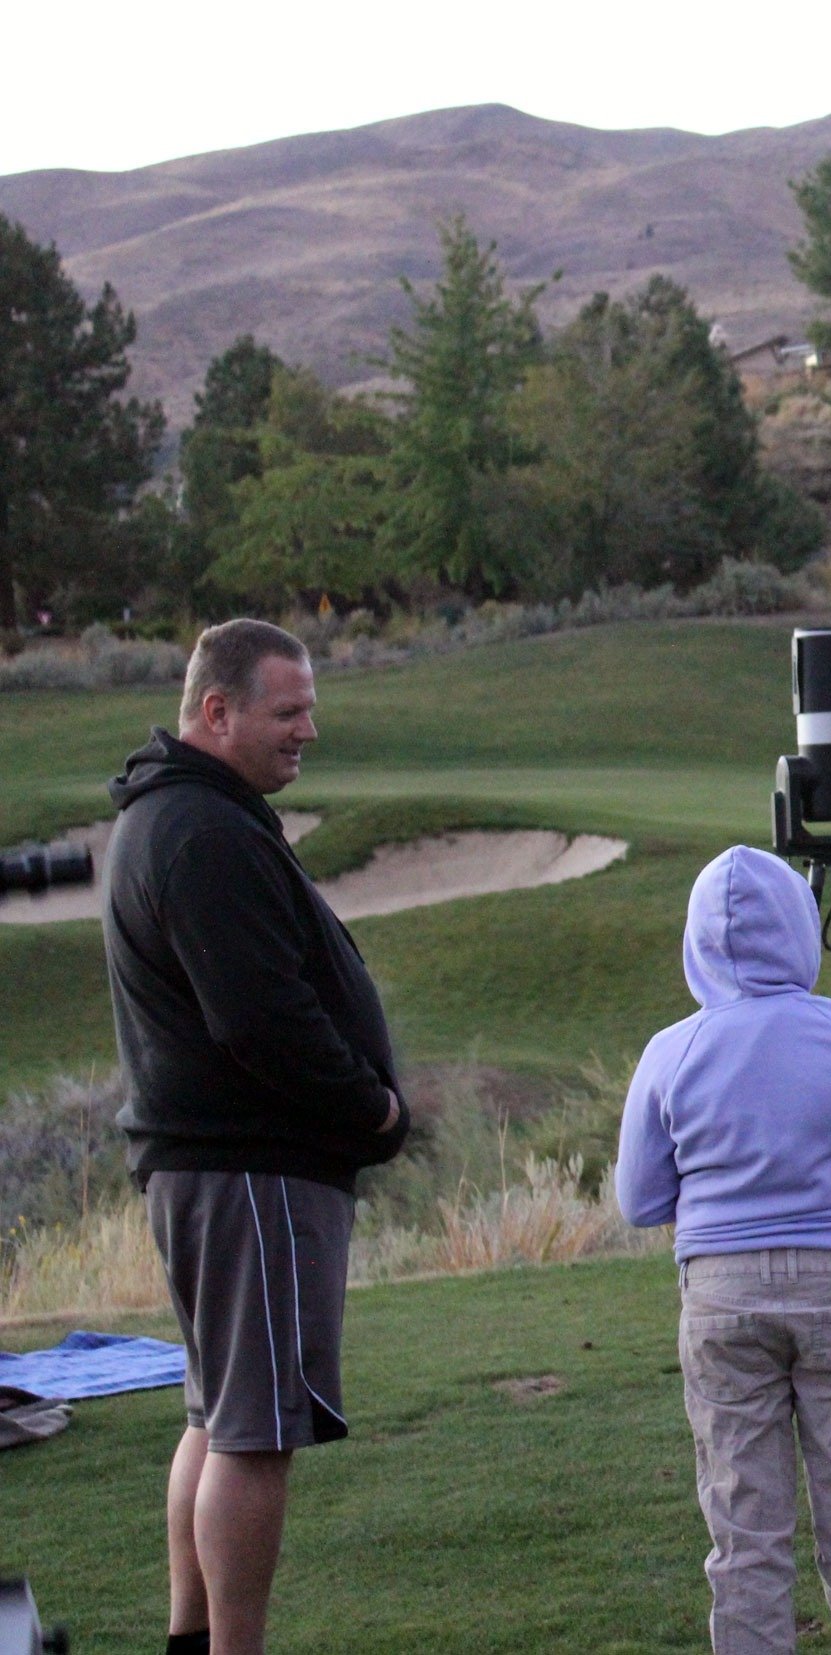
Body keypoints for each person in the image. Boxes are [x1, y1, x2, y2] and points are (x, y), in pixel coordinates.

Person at [104, 618, 409, 1655]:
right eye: (289, 710)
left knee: (216, 1413)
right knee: (255, 1428)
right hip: (252, 1168)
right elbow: (260, 1018)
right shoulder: (201, 831)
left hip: (217, 1168)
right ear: (218, 710)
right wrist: (371, 1107)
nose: (308, 730)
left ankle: (196, 1638)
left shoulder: (187, 815)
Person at [617, 844, 831, 1655]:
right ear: (800, 931)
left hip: (722, 1297)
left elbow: (640, 1199)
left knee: (744, 1527)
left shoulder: (670, 1050)